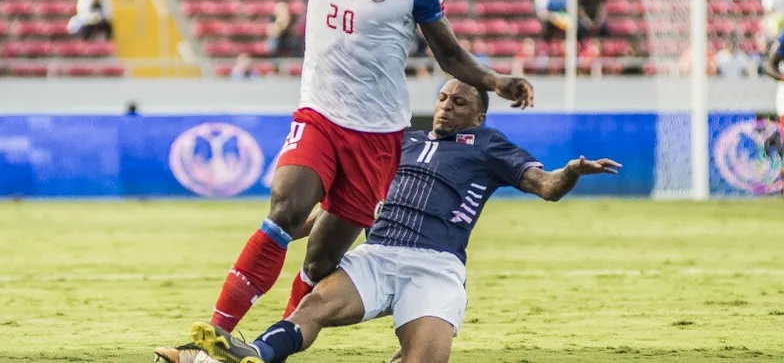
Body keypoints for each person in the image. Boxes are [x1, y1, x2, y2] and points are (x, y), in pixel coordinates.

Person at [171, 0, 535, 341]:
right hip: (319, 115)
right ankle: (210, 340)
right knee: (285, 207)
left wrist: (495, 80)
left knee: (321, 260)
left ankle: (270, 346)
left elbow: (447, 54)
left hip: (377, 137)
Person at [155, 79, 619, 363]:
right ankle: (253, 353)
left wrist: (571, 173)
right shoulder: (401, 144)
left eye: (458, 102)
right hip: (378, 255)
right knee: (313, 308)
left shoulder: (489, 144)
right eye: (441, 97)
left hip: (437, 266)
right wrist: (282, 232)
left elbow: (545, 186)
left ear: (478, 113)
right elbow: (343, 207)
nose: (445, 106)